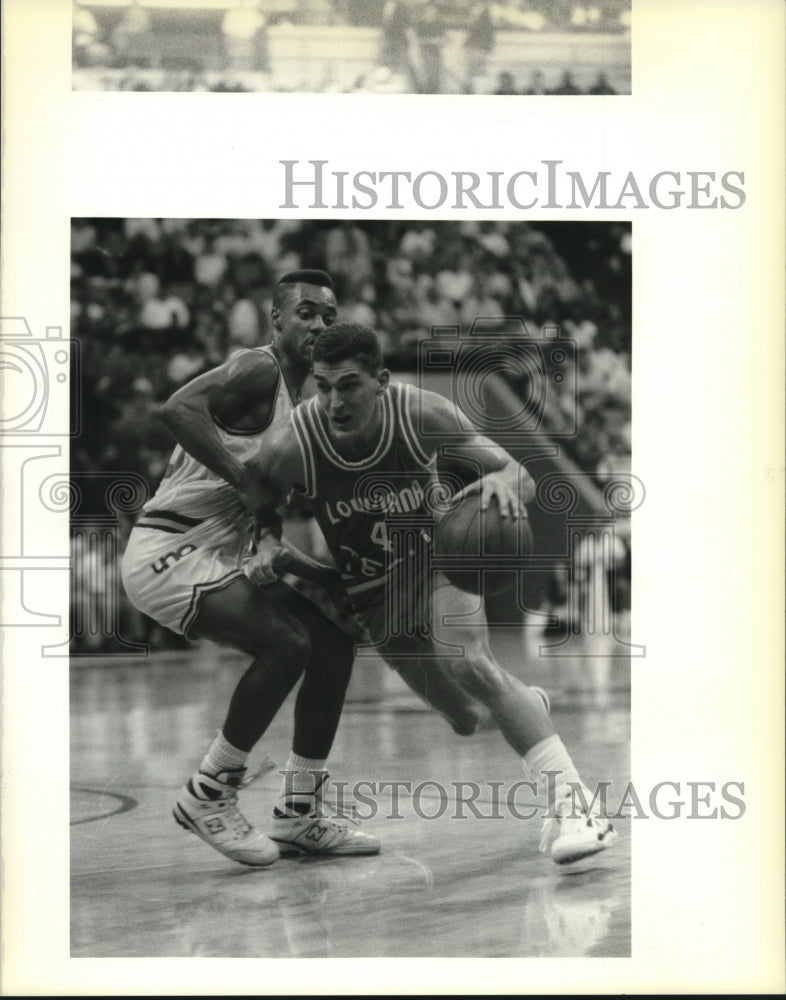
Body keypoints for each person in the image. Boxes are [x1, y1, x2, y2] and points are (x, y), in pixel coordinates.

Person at [247, 323, 617, 865]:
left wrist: (504, 482)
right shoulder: (291, 442)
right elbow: (263, 506)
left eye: (348, 384)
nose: (332, 400)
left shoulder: (420, 413)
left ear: (382, 381)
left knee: (468, 661)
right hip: (373, 593)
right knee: (467, 718)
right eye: (321, 386)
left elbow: (524, 477)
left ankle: (577, 804)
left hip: (437, 559)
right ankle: (525, 703)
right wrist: (267, 544)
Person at [121, 272, 380, 867]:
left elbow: (269, 519)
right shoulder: (257, 370)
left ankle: (300, 814)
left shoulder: (313, 407)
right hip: (170, 550)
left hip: (218, 552)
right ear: (278, 321)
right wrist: (244, 482)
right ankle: (208, 794)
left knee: (333, 643)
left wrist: (327, 575)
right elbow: (177, 407)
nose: (319, 325)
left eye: (329, 316)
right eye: (307, 313)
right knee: (287, 645)